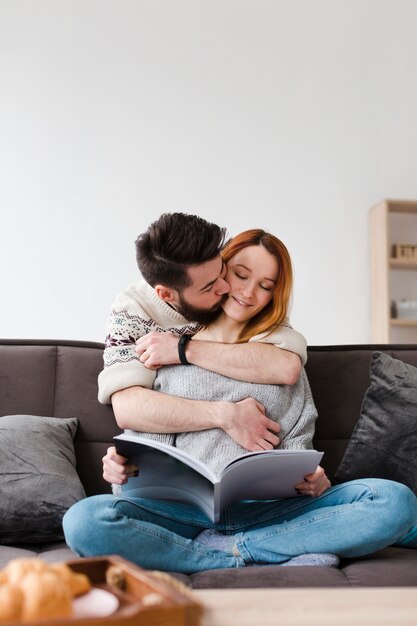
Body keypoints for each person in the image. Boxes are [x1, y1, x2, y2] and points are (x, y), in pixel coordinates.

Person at [63, 228, 417, 573]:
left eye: (265, 286)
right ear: (221, 270)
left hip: (271, 511)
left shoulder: (280, 357)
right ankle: (241, 555)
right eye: (240, 275)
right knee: (85, 521)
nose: (248, 293)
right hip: (181, 510)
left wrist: (315, 482)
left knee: (393, 501)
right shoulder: (164, 351)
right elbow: (142, 449)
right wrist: (121, 471)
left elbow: (298, 449)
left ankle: (235, 549)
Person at [98, 212, 307, 453]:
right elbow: (129, 409)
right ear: (167, 294)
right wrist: (225, 415)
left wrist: (182, 349)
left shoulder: (238, 304)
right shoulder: (133, 312)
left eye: (222, 271)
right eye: (210, 286)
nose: (226, 287)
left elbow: (286, 366)